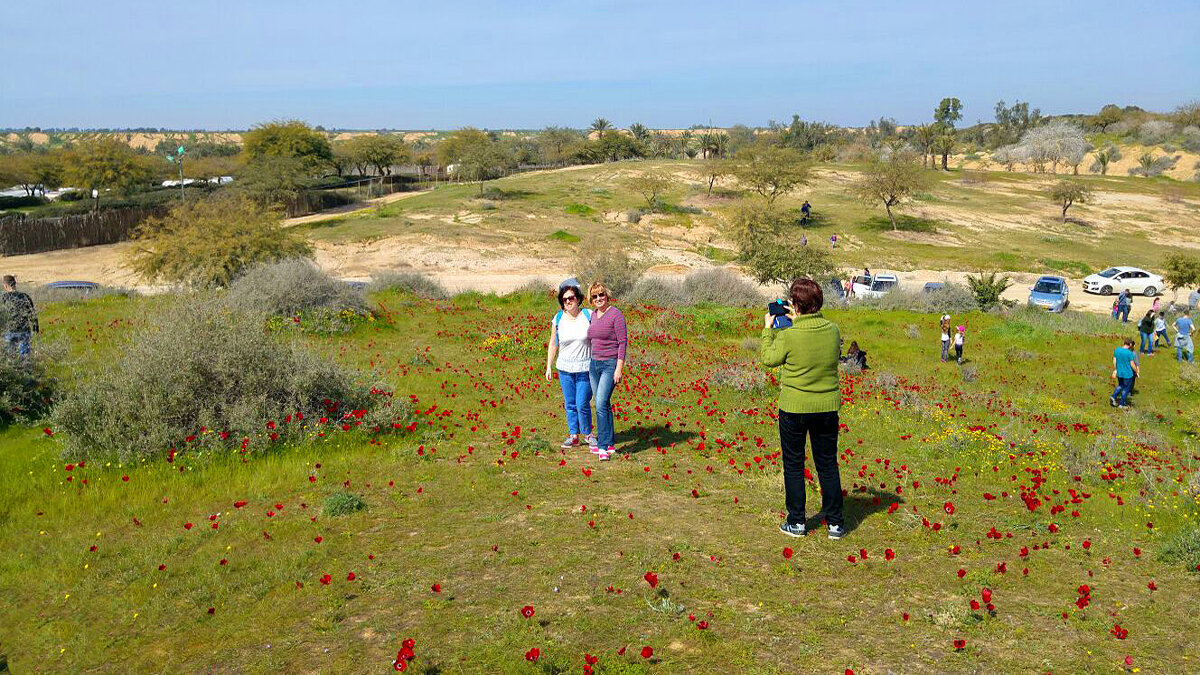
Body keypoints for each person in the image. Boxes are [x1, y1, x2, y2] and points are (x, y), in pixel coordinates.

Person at [761, 278, 845, 540]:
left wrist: (769, 329)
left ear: (795, 305)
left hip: (794, 408)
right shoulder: (833, 330)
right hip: (826, 407)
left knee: (794, 464)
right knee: (827, 464)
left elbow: (769, 358)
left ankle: (796, 521)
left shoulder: (789, 333)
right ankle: (836, 523)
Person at [544, 283, 595, 450]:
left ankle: (588, 434)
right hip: (565, 368)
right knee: (570, 403)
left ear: (578, 299)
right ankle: (574, 435)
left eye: (571, 298)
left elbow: (599, 337)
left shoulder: (588, 315)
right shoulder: (558, 318)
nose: (568, 301)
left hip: (585, 368)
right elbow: (553, 343)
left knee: (582, 403)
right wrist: (549, 367)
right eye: (565, 299)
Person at [586, 282, 627, 461]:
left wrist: (619, 368)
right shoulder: (593, 315)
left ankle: (602, 446)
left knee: (600, 404)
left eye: (601, 294)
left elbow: (622, 343)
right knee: (604, 404)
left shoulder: (616, 315)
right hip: (594, 365)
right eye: (594, 296)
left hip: (610, 365)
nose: (598, 299)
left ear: (607, 295)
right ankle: (610, 443)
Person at [1, 275, 38, 364]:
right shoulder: (25, 296)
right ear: (15, 284)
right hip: (24, 330)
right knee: (25, 357)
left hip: (9, 331)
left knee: (10, 358)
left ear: (5, 286)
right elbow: (32, 314)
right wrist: (35, 327)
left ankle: (14, 376)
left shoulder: (3, 298)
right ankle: (26, 373)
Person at [1110, 337, 1138, 408]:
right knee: (1126, 389)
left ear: (1123, 343)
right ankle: (1122, 404)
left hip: (1120, 373)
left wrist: (1115, 369)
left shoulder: (1117, 350)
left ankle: (1113, 396)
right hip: (1128, 374)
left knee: (1121, 385)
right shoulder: (1129, 353)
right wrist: (1136, 371)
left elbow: (1114, 361)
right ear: (1130, 344)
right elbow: (1132, 365)